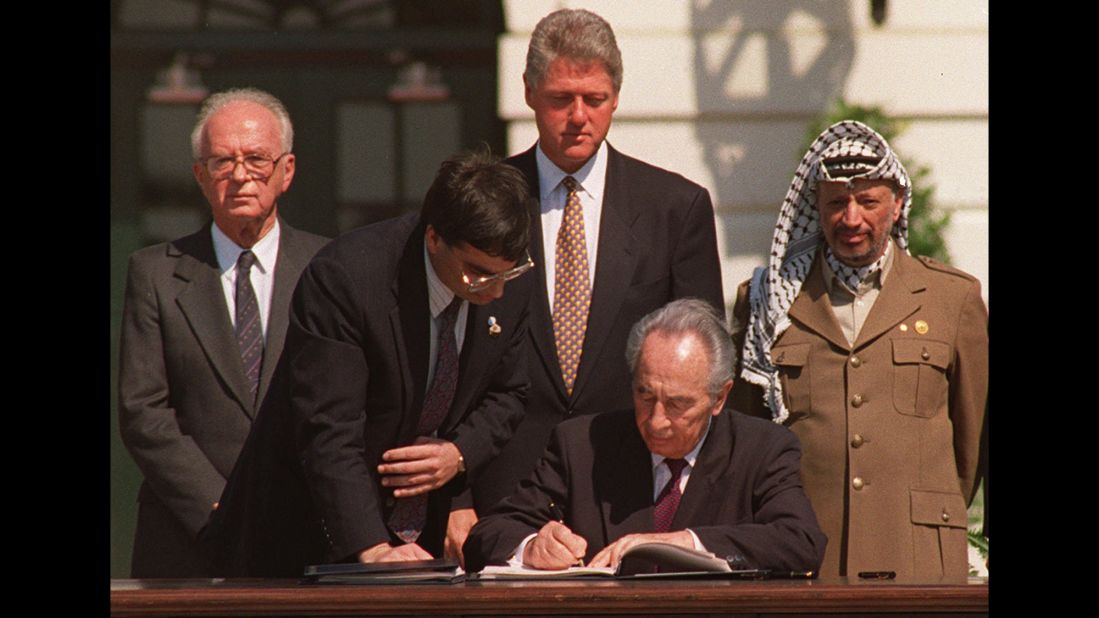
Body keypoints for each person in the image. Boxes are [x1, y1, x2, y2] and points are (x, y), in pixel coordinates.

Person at [203, 149, 536, 576]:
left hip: (426, 542)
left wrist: (459, 454)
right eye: (478, 273)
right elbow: (330, 428)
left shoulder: (508, 278)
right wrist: (372, 547)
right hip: (308, 537)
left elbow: (509, 391)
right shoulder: (347, 278)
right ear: (434, 238)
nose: (495, 291)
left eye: (505, 274)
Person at [472, 8, 725, 517]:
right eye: (561, 99)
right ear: (528, 92)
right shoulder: (483, 200)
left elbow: (703, 368)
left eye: (595, 99)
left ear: (616, 97)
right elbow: (448, 366)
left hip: (630, 491)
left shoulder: (675, 209)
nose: (579, 116)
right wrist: (456, 500)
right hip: (502, 492)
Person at [729, 120, 989, 579]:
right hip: (805, 563)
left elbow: (975, 441)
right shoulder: (770, 303)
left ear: (897, 204)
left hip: (920, 562)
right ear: (816, 207)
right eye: (836, 203)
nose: (851, 219)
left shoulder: (953, 298)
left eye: (868, 201)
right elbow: (747, 440)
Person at [118, 87, 329, 577]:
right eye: (221, 162)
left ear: (287, 171)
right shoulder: (155, 274)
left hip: (302, 530)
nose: (240, 175)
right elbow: (143, 412)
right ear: (200, 175)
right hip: (188, 537)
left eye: (256, 159)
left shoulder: (328, 268)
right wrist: (220, 506)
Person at [464, 298, 825, 573]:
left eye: (678, 404)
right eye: (644, 395)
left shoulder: (761, 448)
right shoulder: (581, 444)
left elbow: (802, 541)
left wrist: (686, 543)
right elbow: (489, 533)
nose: (656, 421)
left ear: (720, 397)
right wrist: (531, 546)